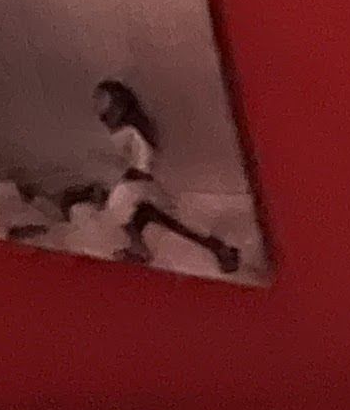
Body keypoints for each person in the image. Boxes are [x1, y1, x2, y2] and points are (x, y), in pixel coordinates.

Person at [85, 79, 240, 275]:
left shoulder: (129, 133)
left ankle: (217, 248)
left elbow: (141, 161)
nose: (101, 110)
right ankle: (143, 249)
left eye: (104, 102)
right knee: (149, 219)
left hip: (137, 185)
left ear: (118, 106)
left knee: (130, 213)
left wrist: (128, 176)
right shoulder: (124, 133)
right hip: (137, 185)